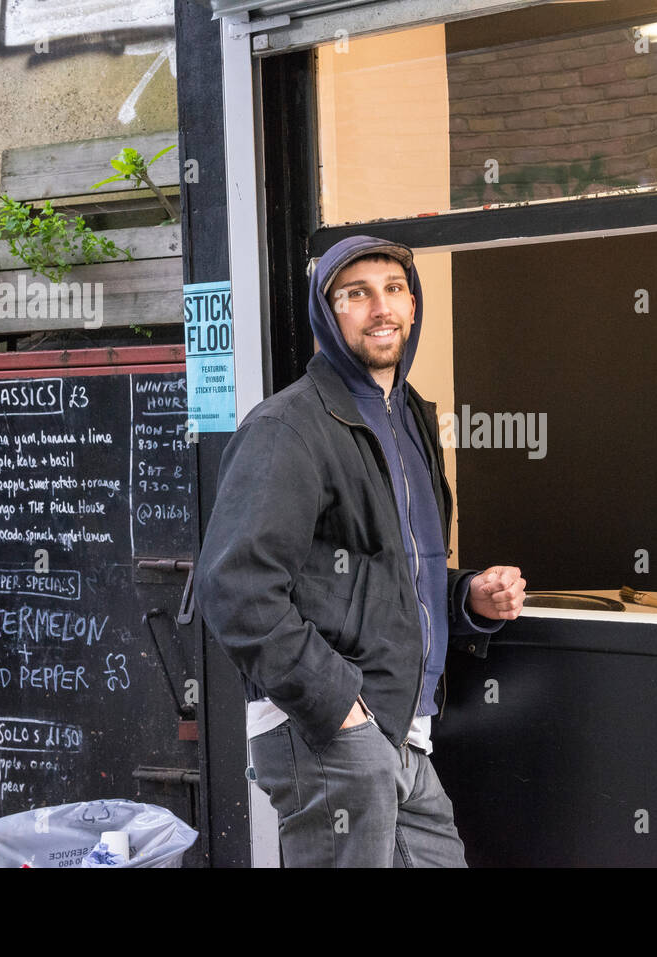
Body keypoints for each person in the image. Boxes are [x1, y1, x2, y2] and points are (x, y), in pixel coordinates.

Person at [195, 235, 526, 867]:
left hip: (402, 729)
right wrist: (337, 705)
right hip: (331, 731)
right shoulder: (288, 427)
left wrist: (464, 596)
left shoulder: (410, 418)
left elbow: (382, 567)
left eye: (394, 289)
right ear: (327, 314)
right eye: (357, 294)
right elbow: (236, 586)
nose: (381, 308)